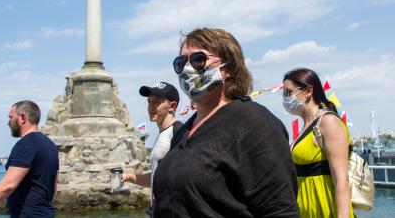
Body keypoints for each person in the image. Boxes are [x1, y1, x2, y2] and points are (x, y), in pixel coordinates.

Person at [152, 28, 299, 217]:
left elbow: (280, 210)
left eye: (198, 59)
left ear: (228, 69)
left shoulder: (255, 123)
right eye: (181, 63)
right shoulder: (184, 131)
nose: (188, 69)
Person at [283, 68, 354, 217]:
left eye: (289, 92)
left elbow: (342, 180)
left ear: (308, 91)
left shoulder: (328, 122)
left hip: (325, 207)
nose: (285, 98)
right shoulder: (306, 126)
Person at [0, 101, 59, 218]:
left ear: (22, 118)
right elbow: (54, 186)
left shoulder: (27, 144)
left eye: (11, 117)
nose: (8, 122)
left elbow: (8, 185)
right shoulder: (50, 145)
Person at [120, 82, 182, 215]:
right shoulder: (163, 134)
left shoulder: (178, 133)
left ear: (172, 106)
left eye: (156, 103)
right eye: (149, 102)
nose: (150, 107)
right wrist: (129, 177)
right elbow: (157, 176)